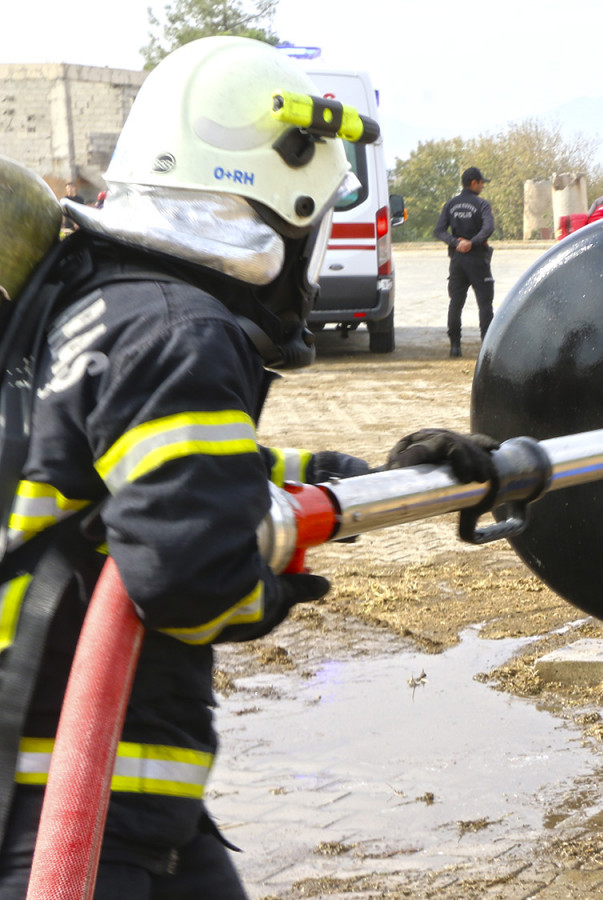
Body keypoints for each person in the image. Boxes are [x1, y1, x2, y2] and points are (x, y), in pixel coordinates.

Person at [0, 36, 490, 899]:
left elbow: (188, 472)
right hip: (72, 815)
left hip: (110, 798)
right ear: (282, 204)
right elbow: (192, 574)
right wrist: (266, 589)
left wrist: (378, 476)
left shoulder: (97, 302)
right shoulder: (176, 330)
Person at [433, 167, 496, 358]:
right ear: (474, 182)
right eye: (481, 183)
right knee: (485, 304)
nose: (483, 186)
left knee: (456, 303)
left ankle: (455, 347)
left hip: (457, 260)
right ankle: (486, 348)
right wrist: (472, 242)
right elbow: (488, 228)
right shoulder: (482, 204)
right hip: (478, 260)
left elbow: (439, 230)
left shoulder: (450, 204)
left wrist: (455, 242)